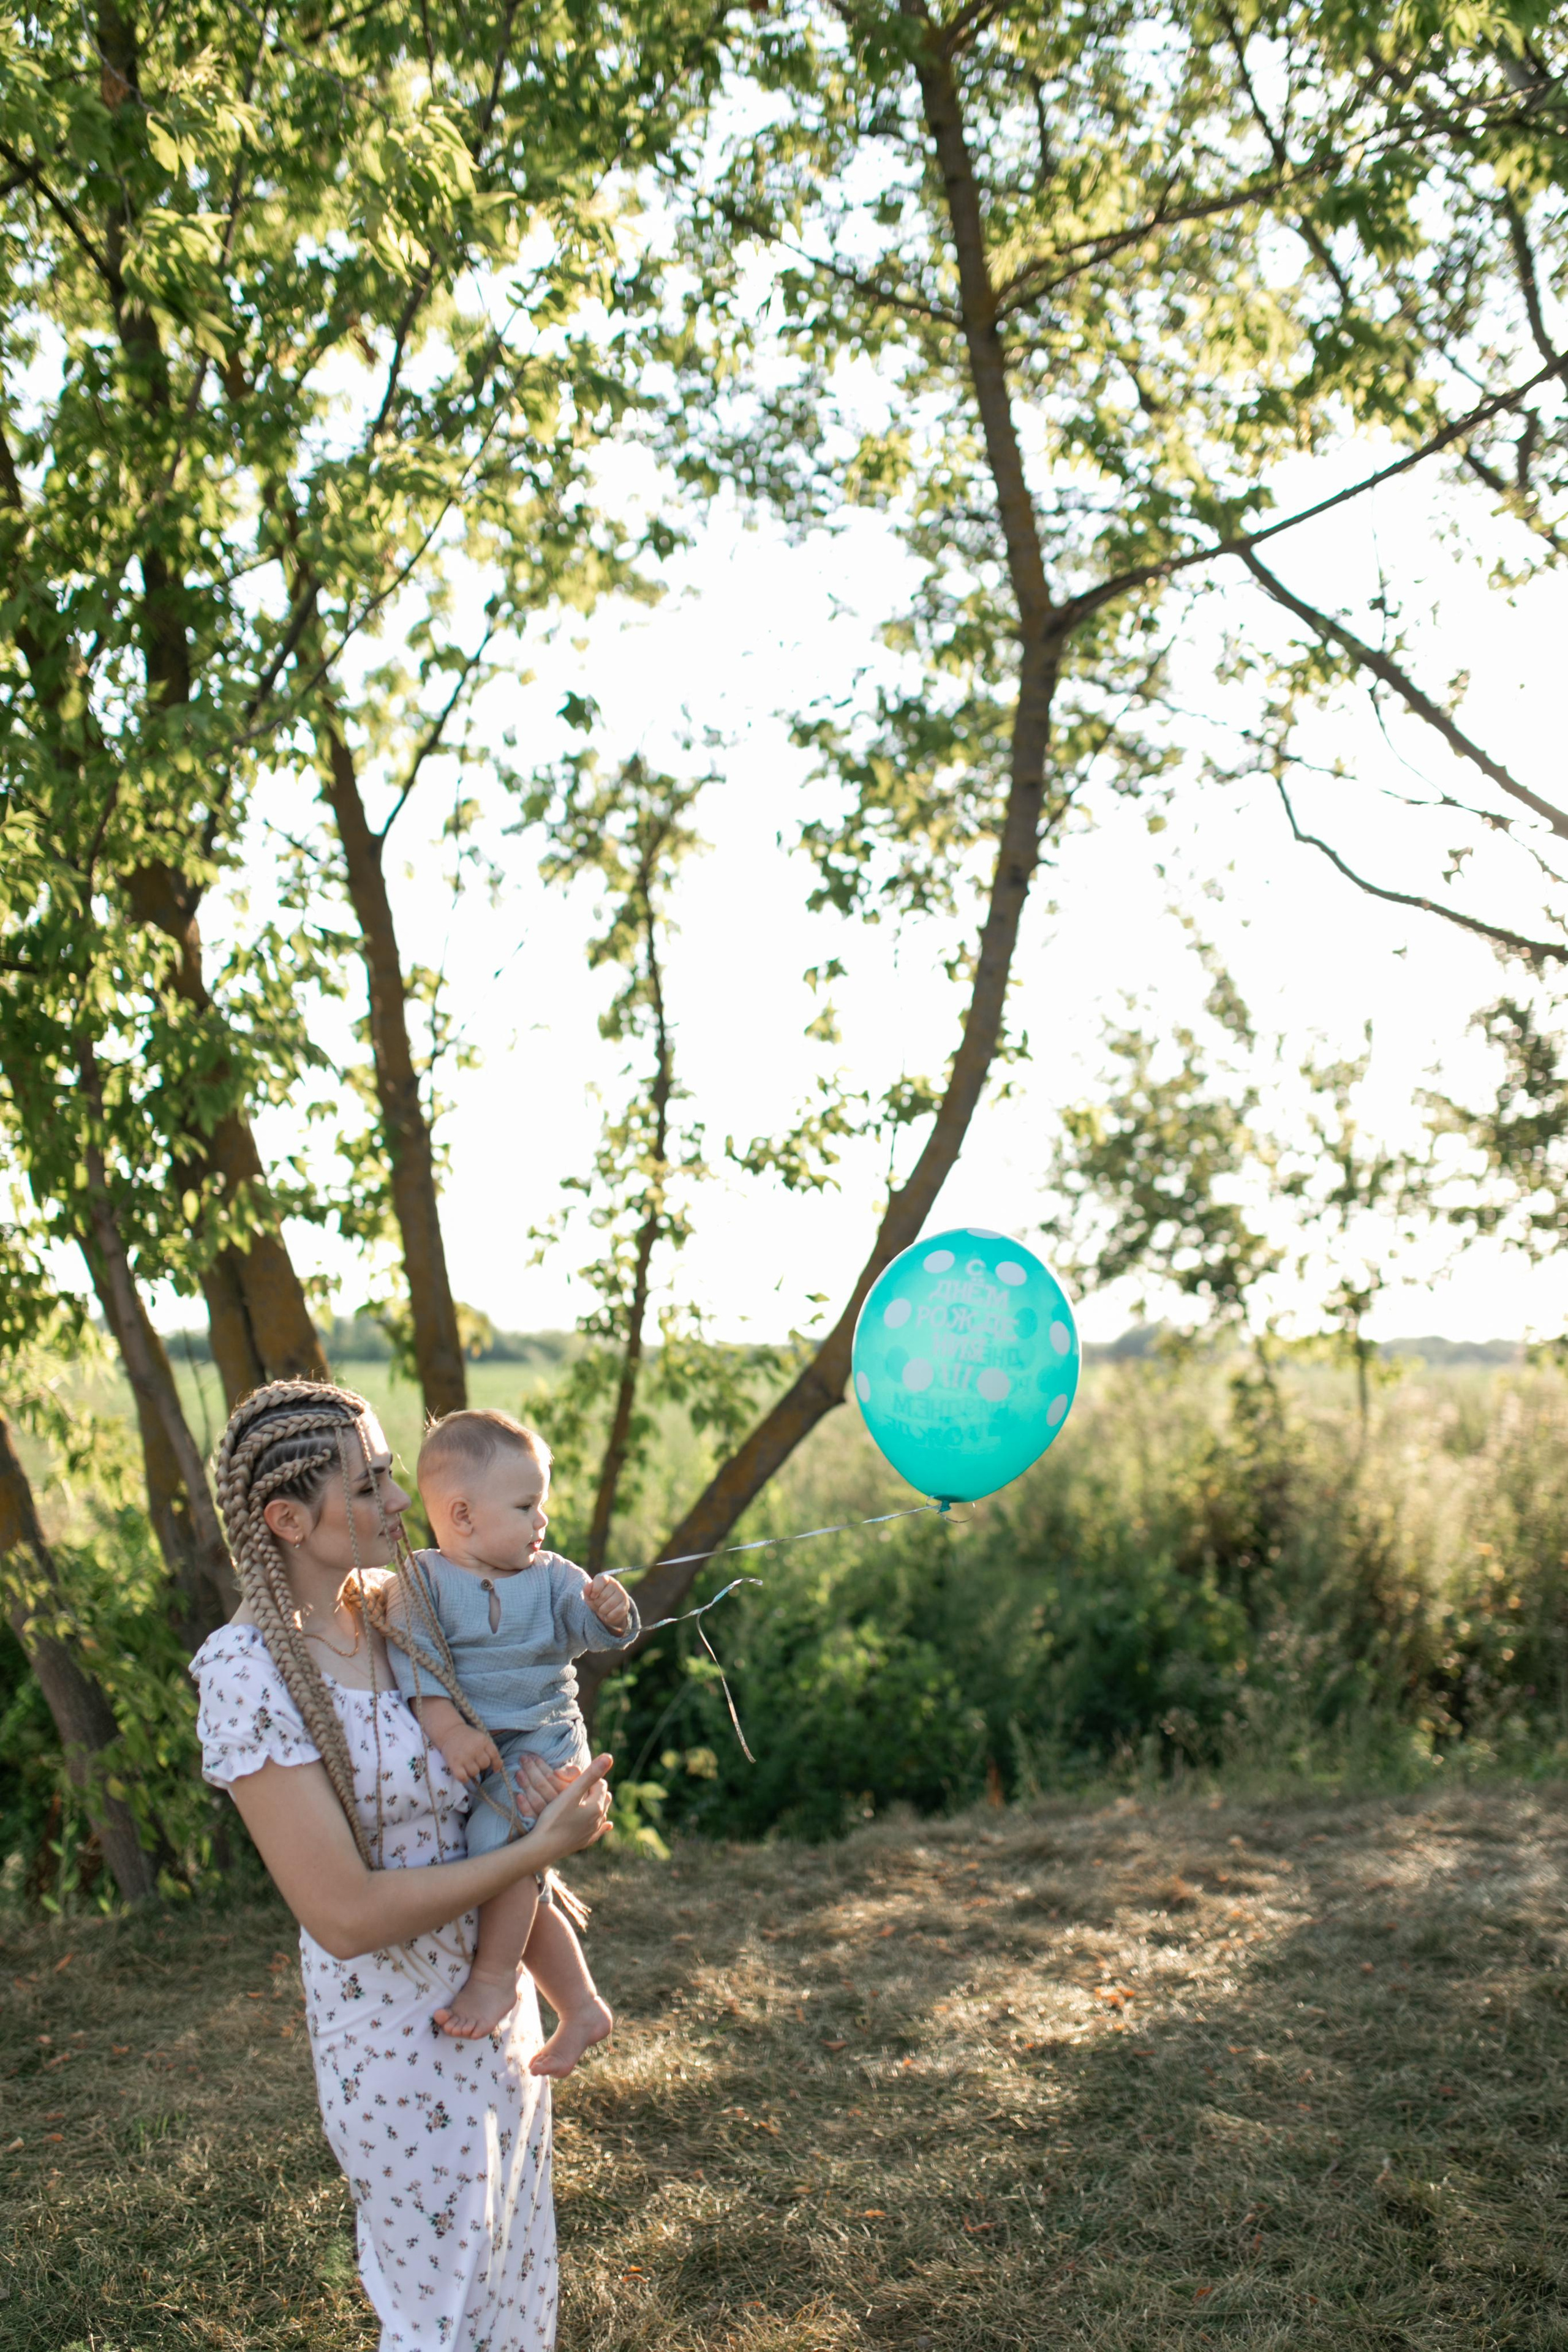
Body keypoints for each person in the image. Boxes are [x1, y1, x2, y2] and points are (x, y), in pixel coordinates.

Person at [190, 1379, 611, 2352]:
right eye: (370, 1484)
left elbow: (519, 1708)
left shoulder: (407, 1603)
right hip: (392, 2029)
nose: (396, 1499)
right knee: (438, 2309)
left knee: (511, 2271)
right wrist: (539, 1853)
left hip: (491, 1999)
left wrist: (550, 1790)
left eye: (389, 1471)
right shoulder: (248, 1670)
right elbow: (342, 1916)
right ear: (287, 1519)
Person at [374, 1409, 639, 2066]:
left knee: (499, 1848)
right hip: (480, 1746)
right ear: (462, 1516)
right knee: (517, 1879)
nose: (541, 1522)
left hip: (545, 1742)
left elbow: (594, 1630)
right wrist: (450, 1731)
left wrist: (612, 1614)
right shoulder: (422, 1583)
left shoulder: (551, 1577)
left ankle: (494, 1982)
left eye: (540, 1505)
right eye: (526, 1506)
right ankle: (580, 2007)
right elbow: (419, 1667)